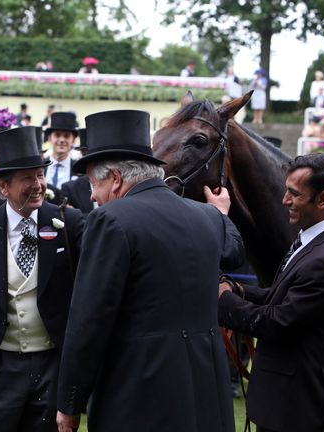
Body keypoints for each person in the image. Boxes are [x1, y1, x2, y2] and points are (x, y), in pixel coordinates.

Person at [56, 110, 244, 432]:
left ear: (115, 178)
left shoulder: (110, 219)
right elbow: (234, 252)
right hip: (206, 395)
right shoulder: (208, 217)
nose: (91, 195)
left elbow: (90, 319)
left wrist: (70, 403)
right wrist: (222, 215)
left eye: (92, 183)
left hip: (140, 395)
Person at [0, 126, 84, 431]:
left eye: (40, 175)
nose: (38, 185)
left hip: (52, 366)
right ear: (3, 187)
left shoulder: (68, 223)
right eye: (28, 178)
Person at [217, 154, 324, 432]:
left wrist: (224, 301)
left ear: (322, 199)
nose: (285, 200)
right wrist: (240, 290)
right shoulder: (312, 240)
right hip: (285, 399)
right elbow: (282, 295)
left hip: (295, 406)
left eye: (294, 193)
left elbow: (278, 322)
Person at [44, 112, 79, 189]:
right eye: (57, 135)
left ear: (73, 140)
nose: (62, 140)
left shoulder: (79, 170)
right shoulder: (40, 166)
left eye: (67, 136)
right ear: (50, 138)